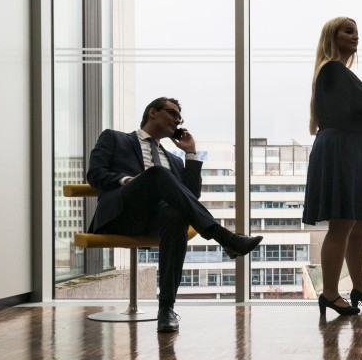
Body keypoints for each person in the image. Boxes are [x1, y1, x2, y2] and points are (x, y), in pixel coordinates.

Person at [86, 97, 263, 333]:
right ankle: (225, 238)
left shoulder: (174, 161)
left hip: (157, 220)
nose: (177, 120)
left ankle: (166, 310)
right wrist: (128, 181)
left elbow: (191, 195)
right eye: (172, 113)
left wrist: (190, 153)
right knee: (157, 174)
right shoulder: (115, 138)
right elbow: (95, 173)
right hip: (123, 213)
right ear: (152, 112)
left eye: (180, 117)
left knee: (176, 215)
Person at [304, 16, 362, 317]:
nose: (355, 36)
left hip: (352, 149)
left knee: (358, 224)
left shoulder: (338, 72)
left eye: (357, 32)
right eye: (348, 31)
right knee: (343, 223)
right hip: (344, 150)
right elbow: (341, 117)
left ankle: (359, 287)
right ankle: (330, 293)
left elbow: (341, 112)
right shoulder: (332, 69)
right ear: (333, 36)